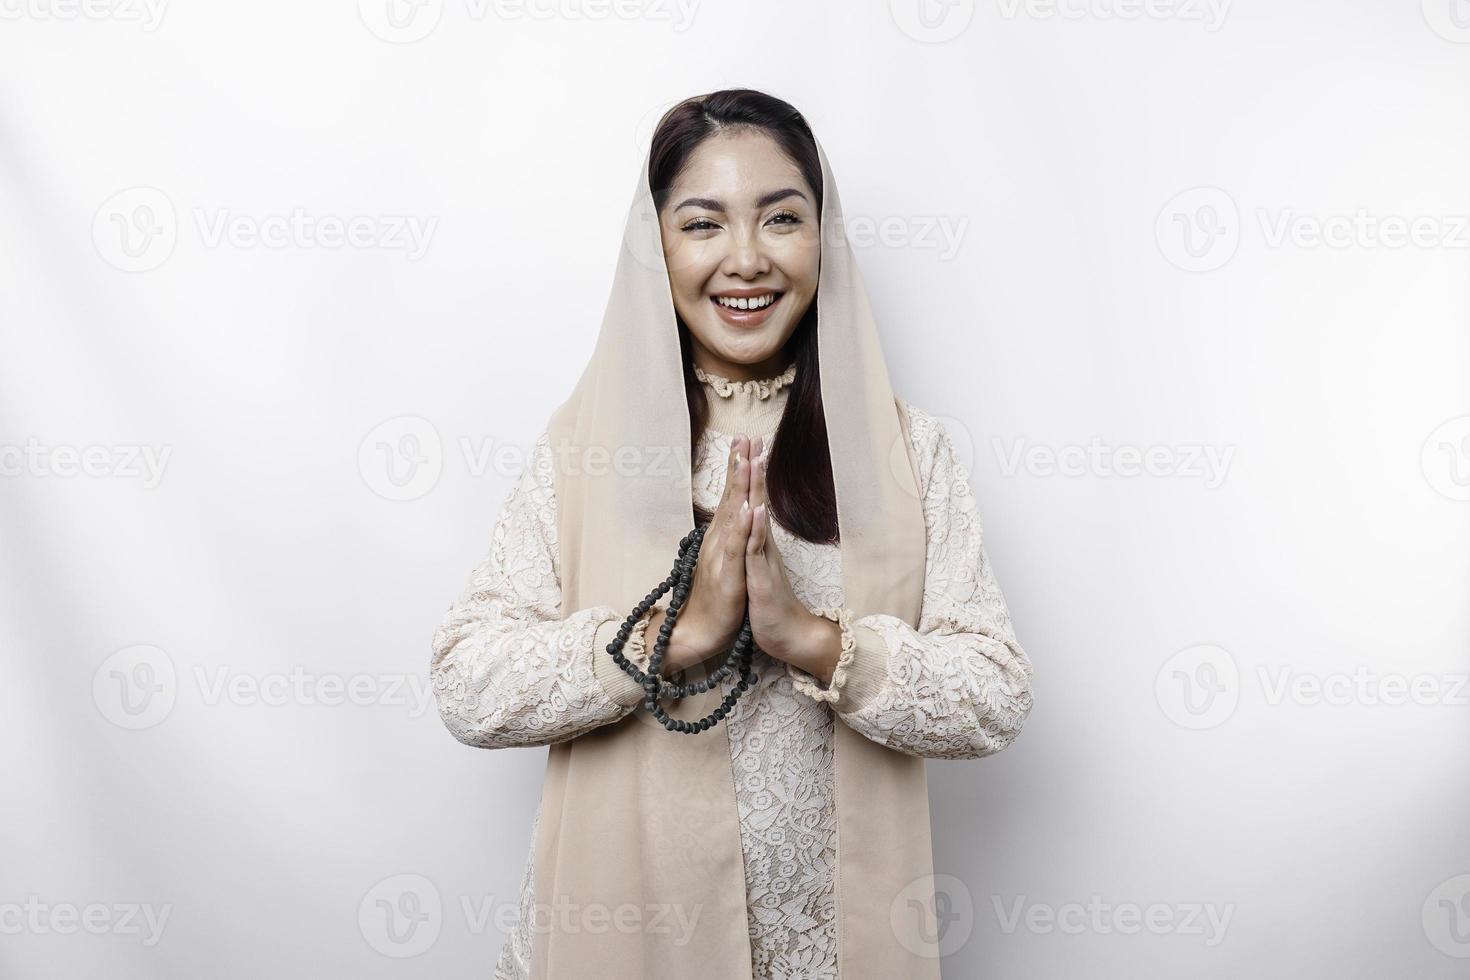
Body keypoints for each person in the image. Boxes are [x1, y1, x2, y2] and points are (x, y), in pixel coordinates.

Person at [430, 88, 1035, 979]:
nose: (746, 260)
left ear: (823, 239)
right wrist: (663, 642)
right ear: (657, 247)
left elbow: (995, 694)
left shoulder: (909, 451)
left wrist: (815, 642)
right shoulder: (583, 447)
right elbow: (466, 682)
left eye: (781, 219)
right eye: (703, 224)